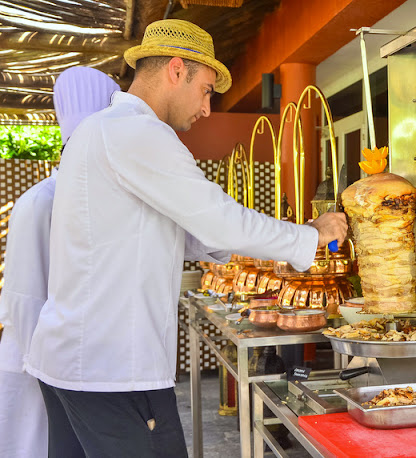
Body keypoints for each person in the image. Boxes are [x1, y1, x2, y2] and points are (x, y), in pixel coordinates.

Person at [25, 19, 347, 457]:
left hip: (73, 362)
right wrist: (310, 235)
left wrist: (262, 246)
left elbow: (184, 232)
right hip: (111, 370)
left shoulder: (102, 131)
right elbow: (217, 218)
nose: (207, 108)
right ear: (177, 70)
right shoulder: (136, 131)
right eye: (207, 90)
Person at [0, 67, 120, 458]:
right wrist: (49, 368)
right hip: (33, 362)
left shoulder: (105, 201)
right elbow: (23, 297)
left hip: (76, 365)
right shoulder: (39, 202)